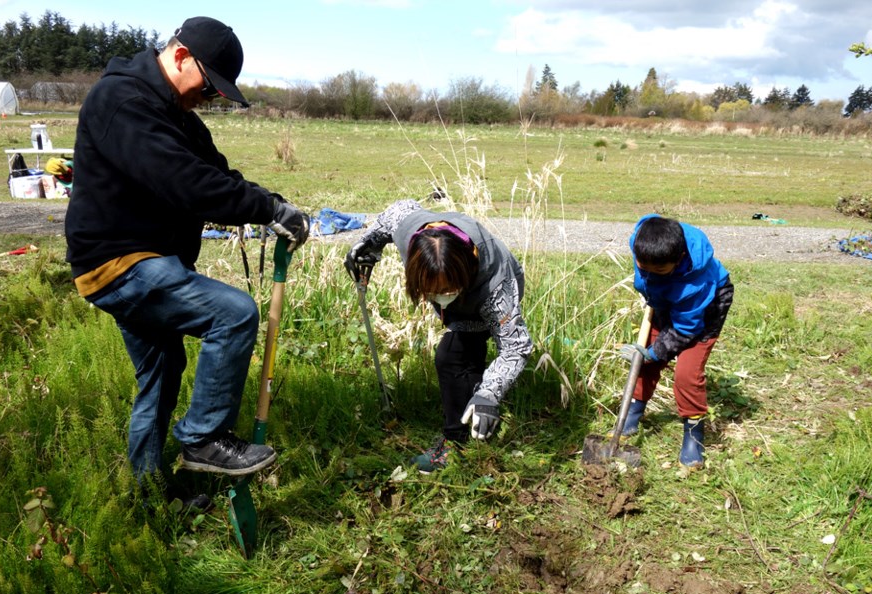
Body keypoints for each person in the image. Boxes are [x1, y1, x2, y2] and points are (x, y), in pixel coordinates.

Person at [64, 16, 310, 499]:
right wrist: (264, 210)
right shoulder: (123, 102)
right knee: (235, 315)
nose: (211, 97)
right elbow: (187, 183)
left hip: (150, 259)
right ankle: (204, 439)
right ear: (179, 56)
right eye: (209, 84)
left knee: (161, 373)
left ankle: (149, 493)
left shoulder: (178, 116)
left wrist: (272, 203)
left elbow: (217, 174)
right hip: (117, 262)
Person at [345, 199, 533, 473]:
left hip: (486, 284)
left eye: (448, 291)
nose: (440, 299)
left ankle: (457, 443)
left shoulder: (495, 288)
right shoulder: (409, 232)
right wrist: (370, 241)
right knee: (460, 349)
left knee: (453, 355)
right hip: (462, 287)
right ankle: (470, 406)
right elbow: (397, 211)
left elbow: (516, 345)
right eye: (431, 292)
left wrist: (489, 396)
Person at [619, 214, 733, 470]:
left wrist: (655, 352)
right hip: (667, 298)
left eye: (657, 269)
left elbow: (685, 328)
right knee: (645, 358)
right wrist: (649, 353)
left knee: (687, 373)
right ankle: (632, 413)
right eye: (642, 265)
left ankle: (694, 435)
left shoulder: (695, 284)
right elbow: (649, 268)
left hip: (705, 309)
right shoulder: (645, 243)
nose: (647, 270)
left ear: (679, 258)